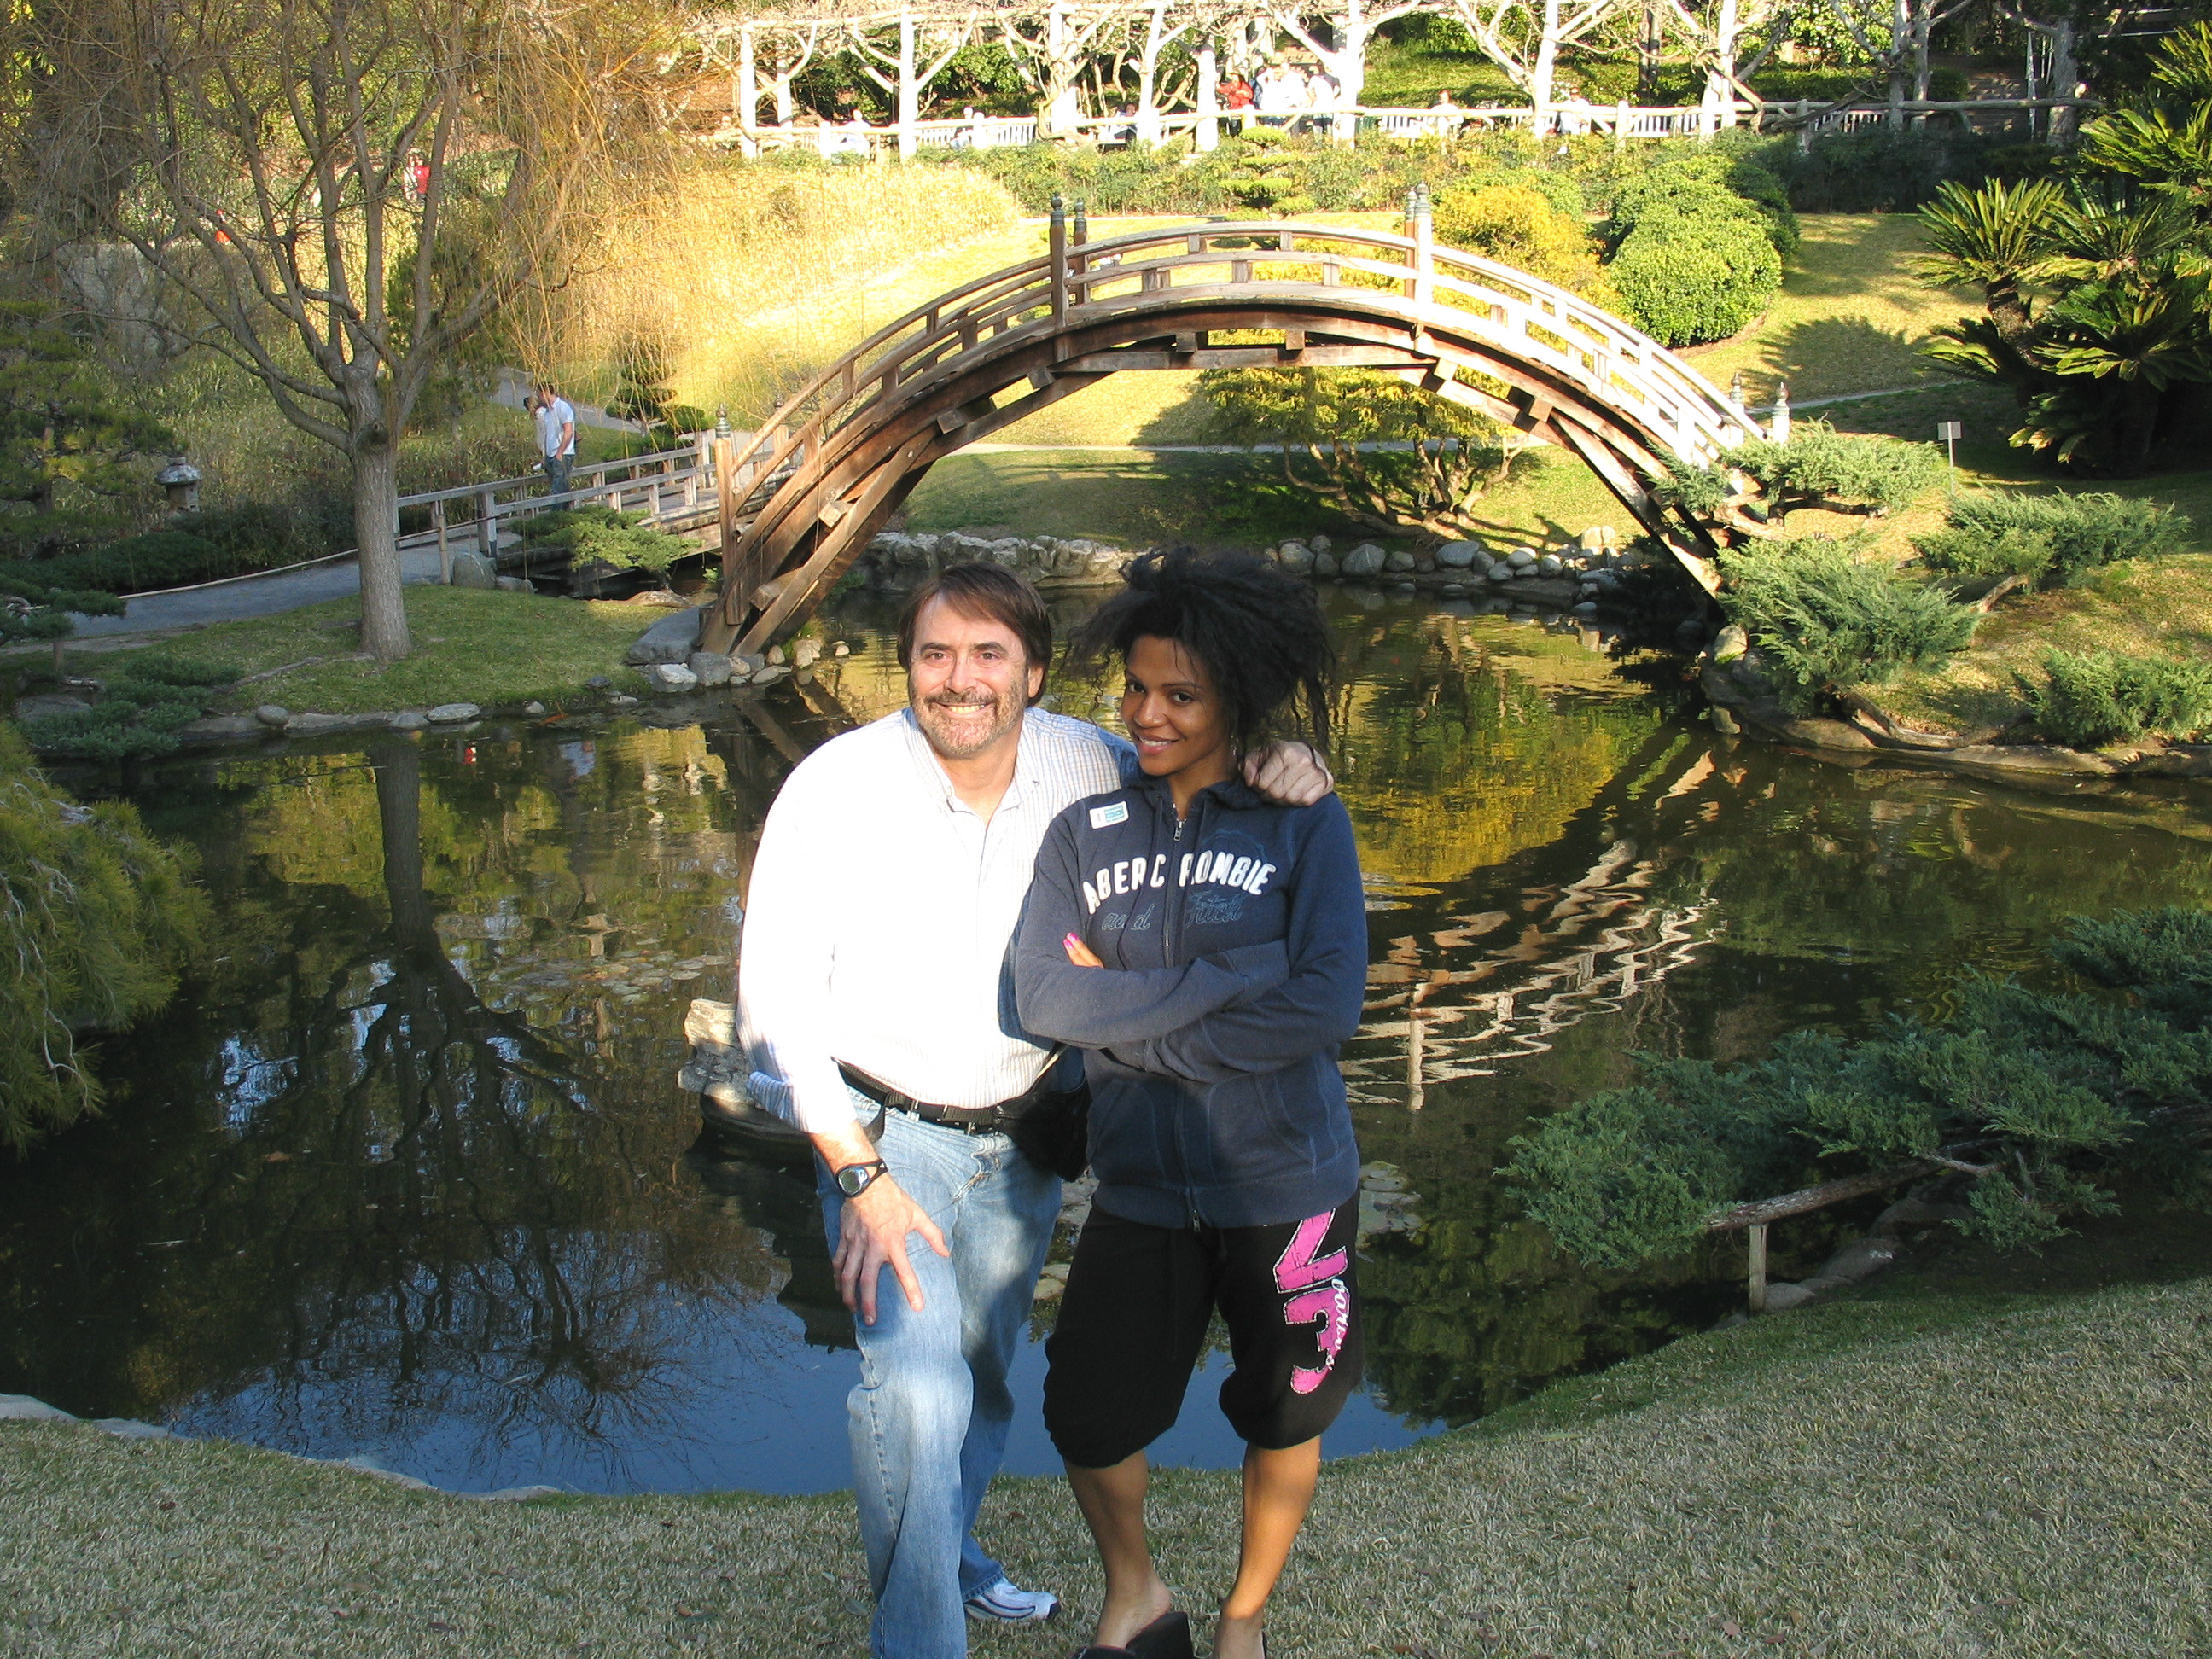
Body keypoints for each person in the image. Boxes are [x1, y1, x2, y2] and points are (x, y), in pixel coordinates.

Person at [737, 562, 1334, 1659]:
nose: (959, 681)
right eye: (934, 654)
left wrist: (1282, 758)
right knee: (914, 1389)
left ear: (1035, 672)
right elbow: (773, 1003)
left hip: (1026, 1137)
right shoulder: (834, 786)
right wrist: (857, 1177)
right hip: (883, 1137)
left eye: (987, 655)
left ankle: (953, 1554)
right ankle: (919, 1640)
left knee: (981, 1380)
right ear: (907, 666)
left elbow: (1201, 759)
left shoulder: (1089, 762)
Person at [1013, 550, 1367, 1659]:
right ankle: (1137, 1593)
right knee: (1087, 1411)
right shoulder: (1085, 833)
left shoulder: (1303, 822)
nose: (1148, 715)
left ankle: (1245, 1614)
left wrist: (1130, 1022)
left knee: (1287, 1408)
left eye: (1180, 695)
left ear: (1235, 702)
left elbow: (1323, 1002)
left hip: (1288, 1186)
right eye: (1136, 690)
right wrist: (1220, 985)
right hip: (1143, 1191)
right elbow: (1042, 992)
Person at [533, 382, 575, 500]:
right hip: (551, 455)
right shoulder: (547, 412)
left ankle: (554, 515)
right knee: (561, 489)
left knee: (557, 491)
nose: (538, 399)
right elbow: (547, 436)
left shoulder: (562, 407)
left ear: (545, 393)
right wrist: (546, 456)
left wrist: (560, 452)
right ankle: (564, 513)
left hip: (562, 454)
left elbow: (569, 431)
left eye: (539, 395)